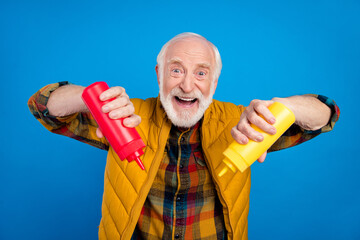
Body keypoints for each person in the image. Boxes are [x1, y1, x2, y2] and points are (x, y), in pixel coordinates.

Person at [28, 32, 340, 240]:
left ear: (214, 83)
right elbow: (42, 105)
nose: (187, 86)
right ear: (159, 75)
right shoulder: (122, 116)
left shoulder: (244, 124)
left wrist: (284, 107)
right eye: (176, 70)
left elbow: (325, 115)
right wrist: (89, 98)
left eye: (201, 73)